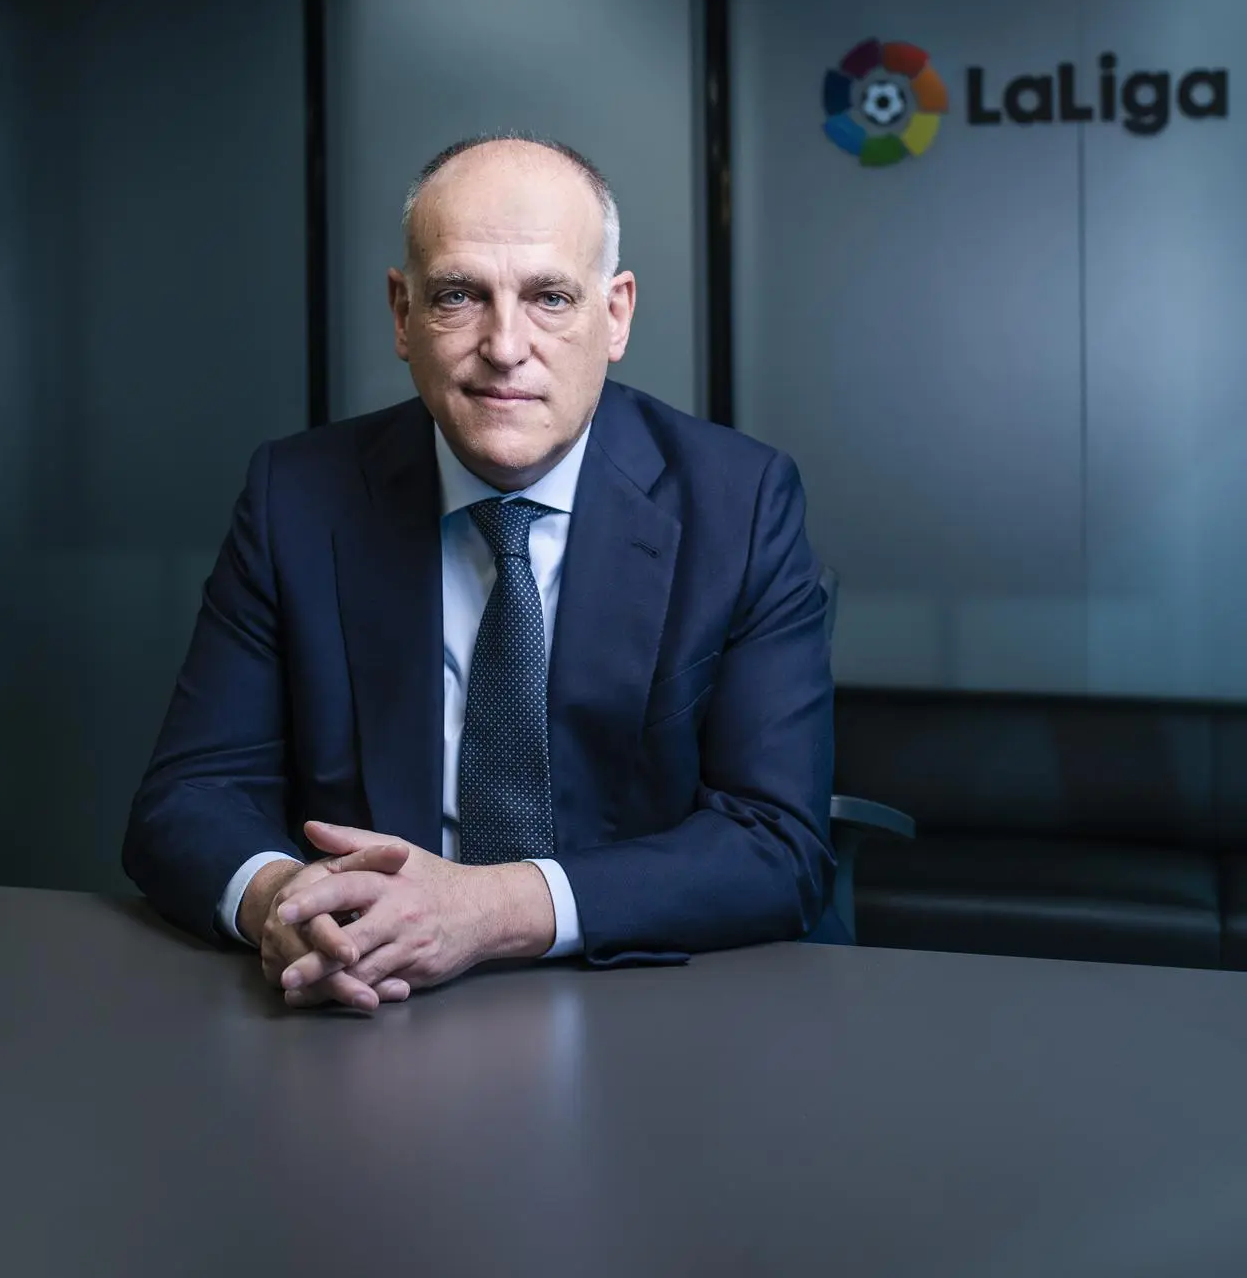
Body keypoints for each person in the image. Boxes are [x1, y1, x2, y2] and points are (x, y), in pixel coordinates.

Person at [123, 134, 834, 1009]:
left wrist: (489, 908)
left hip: (648, 1014)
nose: (505, 347)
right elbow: (187, 799)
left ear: (615, 316)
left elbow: (778, 844)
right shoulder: (296, 498)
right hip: (367, 1008)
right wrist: (287, 901)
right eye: (460, 295)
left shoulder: (742, 503)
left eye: (550, 298)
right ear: (401, 313)